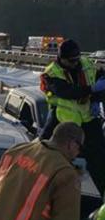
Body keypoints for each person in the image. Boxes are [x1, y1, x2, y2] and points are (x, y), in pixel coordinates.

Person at [39, 39, 105, 195]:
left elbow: (99, 77)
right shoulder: (51, 73)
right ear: (61, 58)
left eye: (77, 59)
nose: (75, 63)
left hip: (88, 119)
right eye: (71, 61)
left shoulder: (86, 64)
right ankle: (40, 187)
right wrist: (92, 89)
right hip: (62, 120)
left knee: (99, 160)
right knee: (45, 149)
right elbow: (67, 91)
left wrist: (96, 98)